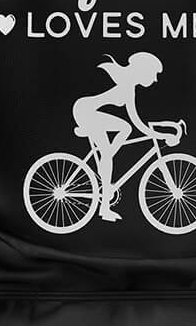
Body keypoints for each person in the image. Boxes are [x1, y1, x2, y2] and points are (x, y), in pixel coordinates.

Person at [72, 52, 174, 221]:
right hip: (86, 111)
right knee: (109, 155)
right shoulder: (126, 86)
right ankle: (105, 209)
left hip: (88, 110)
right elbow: (138, 124)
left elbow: (137, 122)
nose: (155, 79)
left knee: (124, 129)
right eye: (154, 74)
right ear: (143, 70)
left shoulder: (128, 86)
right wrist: (160, 135)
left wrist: (159, 133)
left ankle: (106, 156)